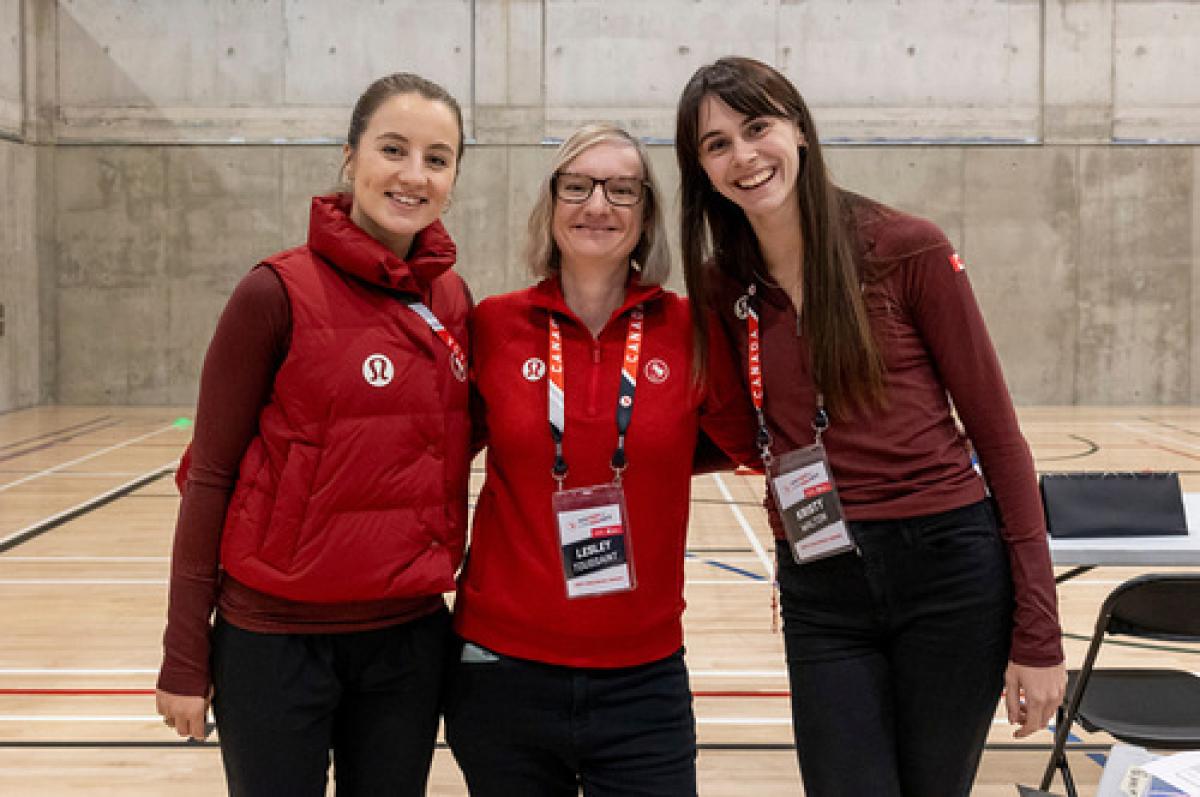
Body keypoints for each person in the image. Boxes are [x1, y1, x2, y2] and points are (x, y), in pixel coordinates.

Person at [674, 56, 1067, 797]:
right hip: (822, 582)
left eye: (756, 128)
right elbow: (731, 431)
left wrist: (1040, 635)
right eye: (716, 144)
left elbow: (1000, 439)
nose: (744, 156)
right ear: (700, 168)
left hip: (948, 568)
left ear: (799, 129)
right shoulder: (721, 283)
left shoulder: (903, 247)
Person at [154, 72, 471, 797]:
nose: (412, 175)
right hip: (272, 641)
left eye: (437, 157)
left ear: (454, 175)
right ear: (350, 156)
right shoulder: (272, 291)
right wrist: (183, 655)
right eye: (393, 148)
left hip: (407, 642)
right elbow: (207, 476)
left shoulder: (452, 300)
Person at [444, 123, 756, 796]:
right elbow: (430, 449)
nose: (597, 205)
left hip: (641, 680)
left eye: (622, 190)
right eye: (577, 186)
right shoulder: (495, 324)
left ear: (646, 215)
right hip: (499, 670)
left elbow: (749, 439)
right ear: (551, 204)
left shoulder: (689, 327)